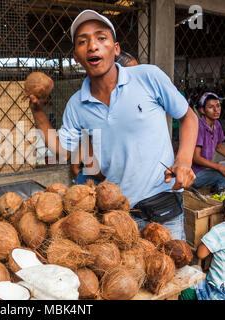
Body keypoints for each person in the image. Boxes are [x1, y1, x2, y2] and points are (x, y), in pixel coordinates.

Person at [28, 9, 198, 239]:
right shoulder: (76, 104)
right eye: (83, 41)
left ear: (115, 49)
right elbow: (63, 150)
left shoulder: (148, 77)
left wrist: (184, 161)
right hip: (117, 213)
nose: (93, 46)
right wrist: (38, 111)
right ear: (76, 58)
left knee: (172, 270)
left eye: (101, 38)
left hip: (162, 205)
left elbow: (188, 117)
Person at [70, 51, 139, 186]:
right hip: (100, 183)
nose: (136, 78)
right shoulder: (91, 108)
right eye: (131, 73)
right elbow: (84, 159)